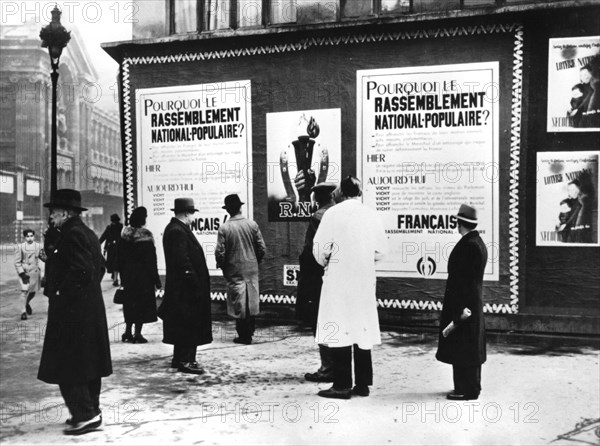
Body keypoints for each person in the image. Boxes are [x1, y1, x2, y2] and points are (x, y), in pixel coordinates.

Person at [38, 189, 112, 435]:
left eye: (54, 212)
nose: (51, 217)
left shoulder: (72, 235)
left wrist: (61, 294)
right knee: (88, 363)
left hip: (72, 313)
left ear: (66, 213)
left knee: (67, 364)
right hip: (87, 310)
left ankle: (86, 415)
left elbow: (81, 271)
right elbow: (100, 268)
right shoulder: (86, 233)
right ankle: (91, 410)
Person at [312, 176, 387, 399]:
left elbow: (320, 251)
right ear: (359, 192)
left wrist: (331, 262)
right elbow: (382, 251)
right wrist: (363, 260)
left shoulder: (332, 214)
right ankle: (363, 385)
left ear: (341, 193)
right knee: (361, 330)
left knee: (340, 328)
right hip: (363, 280)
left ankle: (342, 385)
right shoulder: (372, 214)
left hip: (339, 280)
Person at [436, 203, 488, 401]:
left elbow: (462, 280)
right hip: (471, 302)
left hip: (463, 304)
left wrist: (459, 308)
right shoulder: (477, 243)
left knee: (463, 345)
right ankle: (471, 387)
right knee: (470, 345)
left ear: (460, 223)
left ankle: (465, 390)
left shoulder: (468, 246)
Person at [160, 198, 212, 374]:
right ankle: (186, 360)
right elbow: (183, 262)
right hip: (186, 290)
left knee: (183, 324)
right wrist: (195, 285)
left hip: (182, 289)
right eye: (192, 214)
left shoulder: (176, 229)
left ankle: (180, 358)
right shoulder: (178, 231)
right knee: (189, 324)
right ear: (185, 213)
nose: (193, 218)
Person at [296, 182, 337, 382]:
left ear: (316, 198)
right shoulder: (341, 214)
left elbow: (311, 251)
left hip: (318, 277)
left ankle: (327, 369)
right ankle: (338, 367)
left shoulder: (318, 217)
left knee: (319, 321)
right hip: (339, 274)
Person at [215, 194, 266, 345]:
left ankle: (242, 335)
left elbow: (220, 252)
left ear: (228, 210)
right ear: (240, 207)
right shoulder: (252, 224)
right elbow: (261, 248)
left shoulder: (224, 228)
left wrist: (223, 265)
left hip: (234, 270)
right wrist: (255, 261)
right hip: (251, 269)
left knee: (238, 302)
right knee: (251, 301)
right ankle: (250, 333)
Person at [118, 207, 162, 344]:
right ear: (143, 219)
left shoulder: (124, 235)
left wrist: (122, 276)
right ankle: (137, 334)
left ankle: (127, 332)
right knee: (141, 305)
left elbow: (119, 258)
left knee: (130, 304)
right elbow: (151, 261)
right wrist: (156, 280)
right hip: (143, 277)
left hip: (128, 276)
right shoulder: (146, 236)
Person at [15, 229, 45, 320]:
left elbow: (43, 257)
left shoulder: (38, 246)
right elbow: (17, 262)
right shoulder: (20, 247)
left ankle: (27, 303)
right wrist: (22, 274)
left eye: (31, 236)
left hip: (35, 272)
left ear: (34, 236)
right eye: (27, 236)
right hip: (25, 272)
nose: (30, 238)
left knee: (32, 292)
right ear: (24, 237)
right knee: (24, 291)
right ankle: (23, 312)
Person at [99, 213, 123, 286]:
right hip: (117, 247)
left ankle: (115, 278)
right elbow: (105, 237)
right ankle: (114, 276)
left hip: (113, 248)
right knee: (115, 263)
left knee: (114, 263)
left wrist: (98, 243)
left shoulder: (110, 227)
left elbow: (104, 237)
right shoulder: (120, 227)